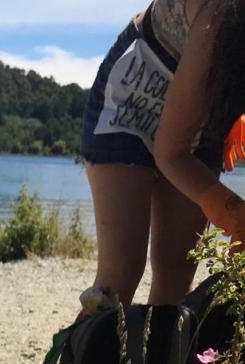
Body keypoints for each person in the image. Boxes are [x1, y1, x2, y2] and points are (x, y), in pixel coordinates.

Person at [79, 0, 245, 313]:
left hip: (206, 109)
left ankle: (158, 363)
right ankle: (86, 361)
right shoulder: (221, 16)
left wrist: (234, 111)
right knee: (119, 274)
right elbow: (171, 154)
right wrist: (232, 211)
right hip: (136, 91)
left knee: (178, 272)